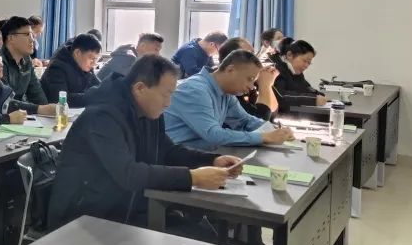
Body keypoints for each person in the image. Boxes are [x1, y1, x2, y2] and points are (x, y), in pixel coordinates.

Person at [46, 55, 242, 229]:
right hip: (85, 218)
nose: (168, 103)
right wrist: (192, 177)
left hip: (127, 207)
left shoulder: (148, 111)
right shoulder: (102, 116)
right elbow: (128, 174)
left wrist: (212, 160)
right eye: (165, 94)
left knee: (201, 231)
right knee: (196, 237)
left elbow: (168, 151)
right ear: (140, 88)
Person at [164, 50, 295, 149]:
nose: (251, 87)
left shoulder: (226, 93)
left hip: (202, 154)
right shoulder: (195, 90)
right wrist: (264, 137)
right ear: (230, 69)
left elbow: (245, 121)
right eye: (249, 79)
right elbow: (214, 135)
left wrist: (275, 131)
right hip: (177, 160)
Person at [0, 16, 56, 116]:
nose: (32, 39)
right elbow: (4, 102)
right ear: (11, 38)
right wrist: (39, 109)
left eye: (32, 34)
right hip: (5, 118)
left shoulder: (27, 60)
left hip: (24, 116)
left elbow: (36, 93)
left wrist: (48, 111)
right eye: (27, 34)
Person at [217, 37, 278, 121]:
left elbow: (272, 113)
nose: (255, 59)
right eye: (249, 55)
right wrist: (265, 85)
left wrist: (268, 84)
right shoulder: (226, 87)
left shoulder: (246, 81)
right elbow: (258, 120)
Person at [41, 33, 102, 105]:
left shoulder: (84, 65)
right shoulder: (57, 67)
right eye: (92, 58)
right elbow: (61, 99)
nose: (94, 63)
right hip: (53, 110)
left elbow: (99, 86)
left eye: (96, 59)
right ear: (77, 53)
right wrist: (93, 97)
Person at [271, 39, 327, 110]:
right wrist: (313, 100)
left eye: (309, 63)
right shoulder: (275, 69)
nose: (306, 66)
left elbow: (305, 88)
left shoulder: (295, 71)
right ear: (289, 55)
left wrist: (319, 95)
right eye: (305, 61)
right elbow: (280, 97)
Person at [98, 32, 165, 81]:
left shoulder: (137, 58)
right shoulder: (128, 57)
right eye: (156, 49)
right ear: (143, 46)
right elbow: (127, 84)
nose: (158, 54)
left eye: (159, 50)